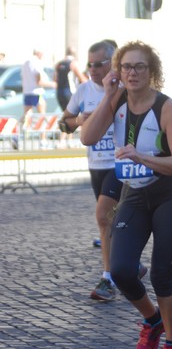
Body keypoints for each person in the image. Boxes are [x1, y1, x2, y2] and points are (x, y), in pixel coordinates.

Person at [80, 40, 172, 349]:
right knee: (120, 270)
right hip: (135, 194)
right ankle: (152, 320)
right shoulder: (115, 102)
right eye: (126, 67)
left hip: (171, 193)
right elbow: (88, 137)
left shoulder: (166, 107)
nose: (131, 73)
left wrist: (141, 156)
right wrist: (107, 95)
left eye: (139, 67)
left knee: (161, 274)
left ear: (151, 72)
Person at [59, 40, 133, 302]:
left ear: (112, 64)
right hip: (96, 165)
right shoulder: (83, 91)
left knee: (103, 216)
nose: (92, 69)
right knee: (109, 223)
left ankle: (108, 280)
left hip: (119, 164)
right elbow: (63, 124)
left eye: (99, 64)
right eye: (89, 64)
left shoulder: (123, 90)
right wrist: (79, 120)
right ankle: (129, 267)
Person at [54, 46, 87, 112]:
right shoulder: (72, 63)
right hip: (69, 92)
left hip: (59, 92)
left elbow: (55, 78)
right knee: (73, 113)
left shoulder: (58, 64)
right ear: (74, 54)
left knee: (65, 113)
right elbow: (82, 79)